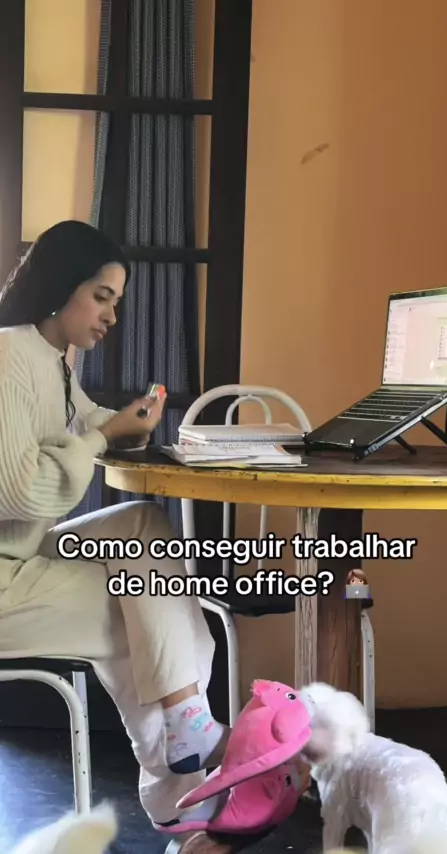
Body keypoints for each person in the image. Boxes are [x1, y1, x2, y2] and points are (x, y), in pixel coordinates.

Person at [0, 220, 230, 826]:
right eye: (101, 297)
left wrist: (124, 423)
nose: (111, 316)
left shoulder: (49, 359)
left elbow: (80, 422)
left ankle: (187, 730)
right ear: (62, 285)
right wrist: (104, 436)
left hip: (22, 558)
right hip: (5, 580)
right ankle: (185, 795)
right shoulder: (8, 356)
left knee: (144, 526)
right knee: (149, 607)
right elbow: (22, 490)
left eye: (117, 302)